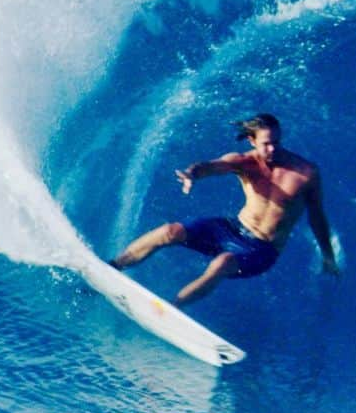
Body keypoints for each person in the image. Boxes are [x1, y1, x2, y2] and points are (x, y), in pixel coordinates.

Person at [109, 113, 339, 306]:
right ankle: (114, 267)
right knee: (170, 231)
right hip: (234, 228)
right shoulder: (244, 162)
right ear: (251, 140)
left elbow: (317, 215)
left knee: (223, 263)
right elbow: (212, 166)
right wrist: (192, 174)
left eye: (276, 143)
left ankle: (170, 310)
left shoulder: (305, 173)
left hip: (263, 248)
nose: (272, 149)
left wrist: (328, 256)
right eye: (265, 144)